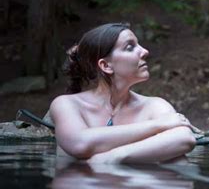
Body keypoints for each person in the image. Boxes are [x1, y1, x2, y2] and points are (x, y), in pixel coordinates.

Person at [50, 23, 200, 164]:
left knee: (177, 160)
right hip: (82, 187)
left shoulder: (155, 105)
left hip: (134, 186)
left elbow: (185, 138)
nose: (145, 51)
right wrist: (158, 125)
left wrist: (112, 157)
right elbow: (79, 143)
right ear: (106, 65)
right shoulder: (67, 104)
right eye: (130, 47)